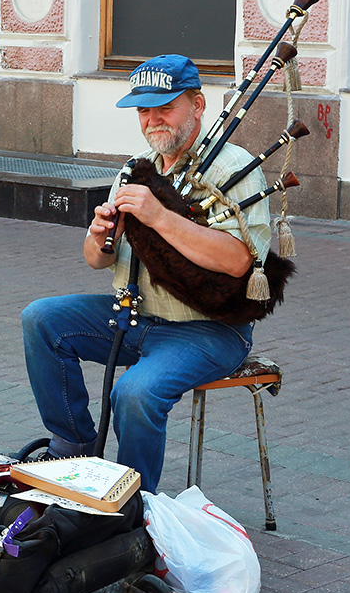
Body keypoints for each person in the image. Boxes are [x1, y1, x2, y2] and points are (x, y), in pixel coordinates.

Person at [21, 54, 272, 492]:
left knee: (134, 394)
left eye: (165, 107)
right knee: (41, 318)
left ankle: (134, 504)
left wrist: (159, 217)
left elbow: (238, 261)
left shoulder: (234, 168)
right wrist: (100, 234)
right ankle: (72, 449)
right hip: (133, 317)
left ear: (197, 105)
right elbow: (97, 261)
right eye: (143, 110)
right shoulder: (136, 167)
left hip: (207, 330)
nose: (153, 120)